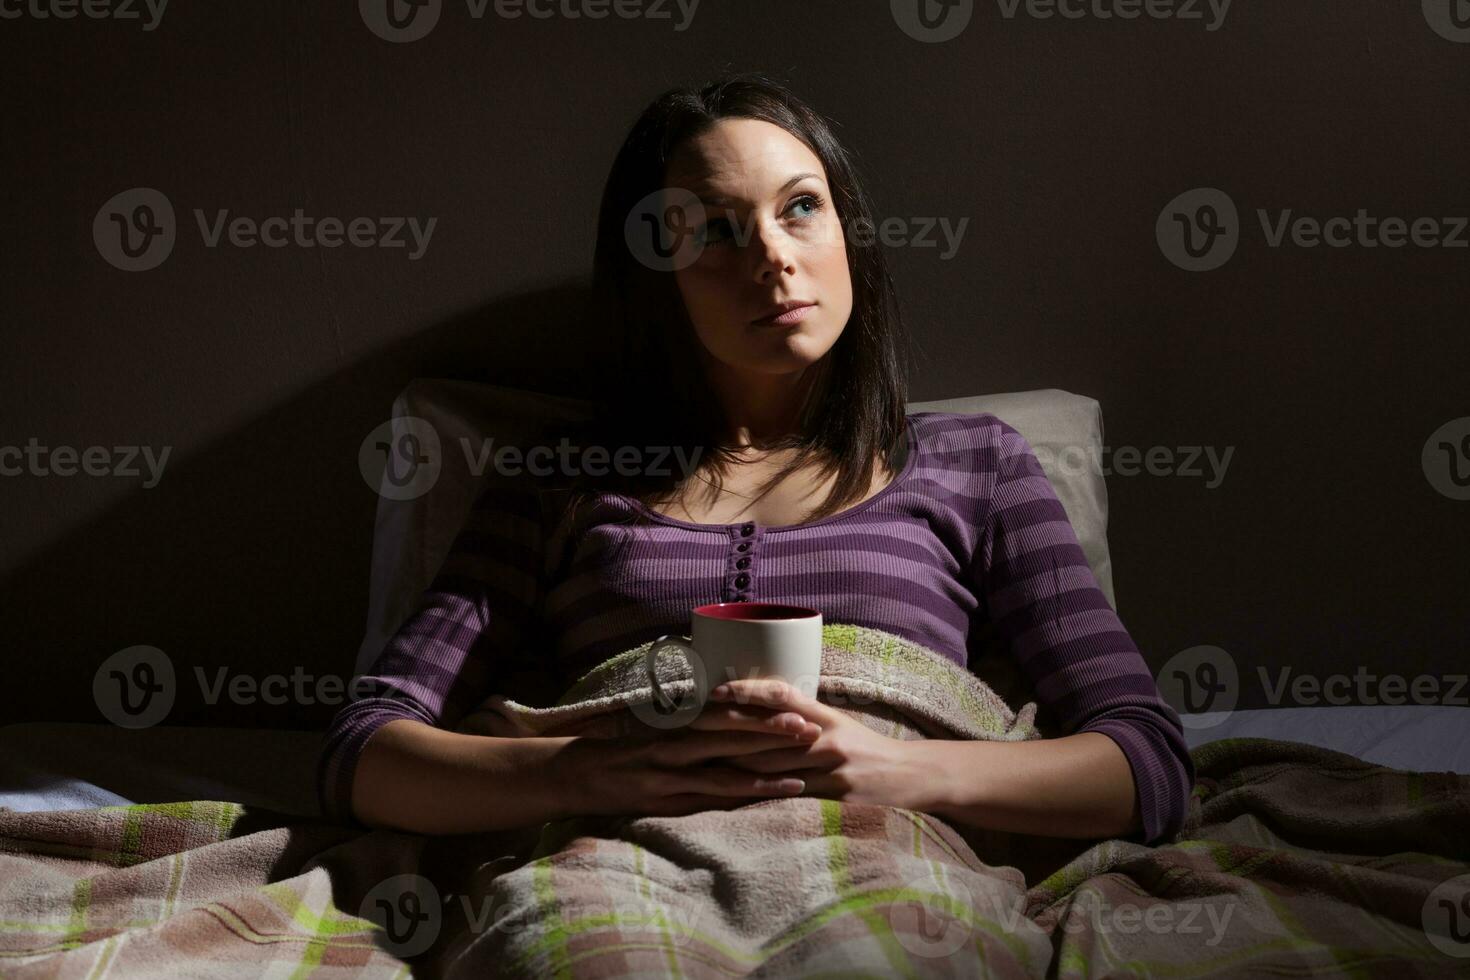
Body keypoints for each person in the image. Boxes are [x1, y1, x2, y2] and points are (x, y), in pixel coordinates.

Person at [316, 72, 1194, 846]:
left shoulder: (978, 466)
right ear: (655, 279)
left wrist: (900, 770)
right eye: (718, 232)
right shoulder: (561, 483)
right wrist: (593, 772)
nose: (774, 256)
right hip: (623, 868)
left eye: (801, 206)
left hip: (890, 860)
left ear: (848, 230)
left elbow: (1144, 762)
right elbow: (365, 750)